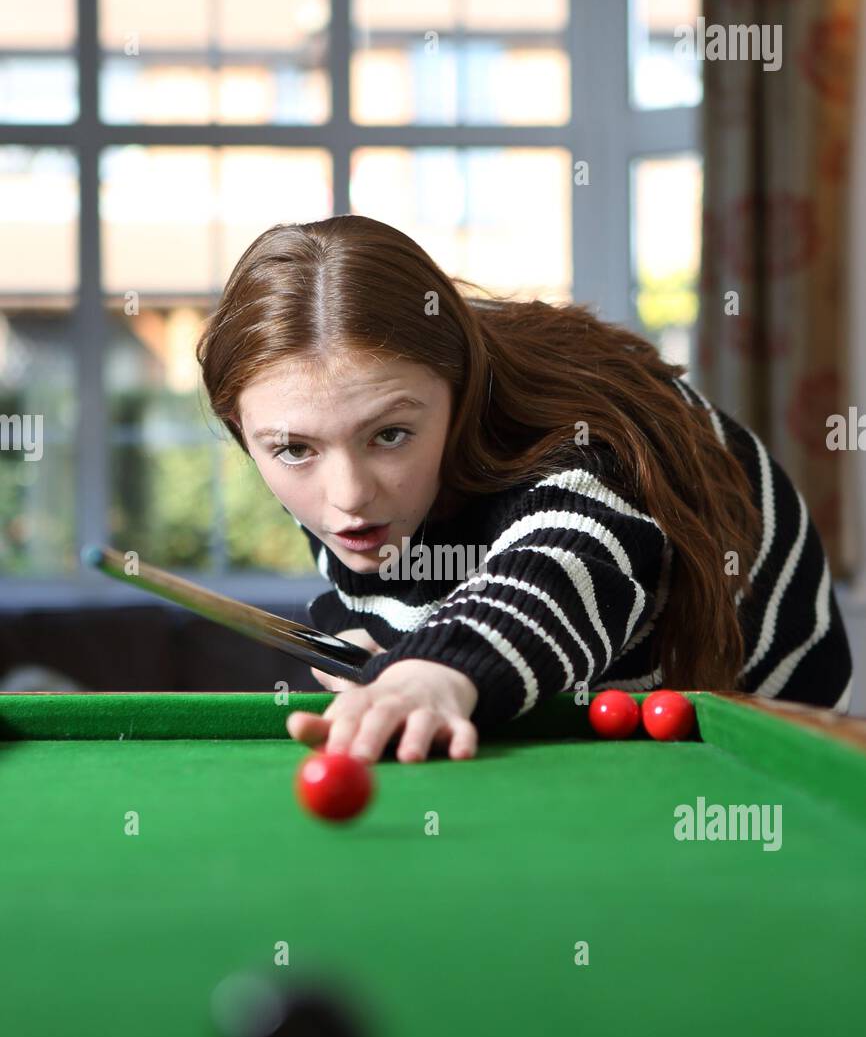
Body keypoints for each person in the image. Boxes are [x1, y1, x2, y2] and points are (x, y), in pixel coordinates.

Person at [196, 215, 853, 765]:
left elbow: (560, 566)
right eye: (294, 450)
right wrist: (386, 632)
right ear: (242, 431)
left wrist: (432, 667)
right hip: (604, 709)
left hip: (761, 723)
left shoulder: (570, 445)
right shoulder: (354, 461)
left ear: (459, 392)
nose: (347, 495)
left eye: (389, 435)